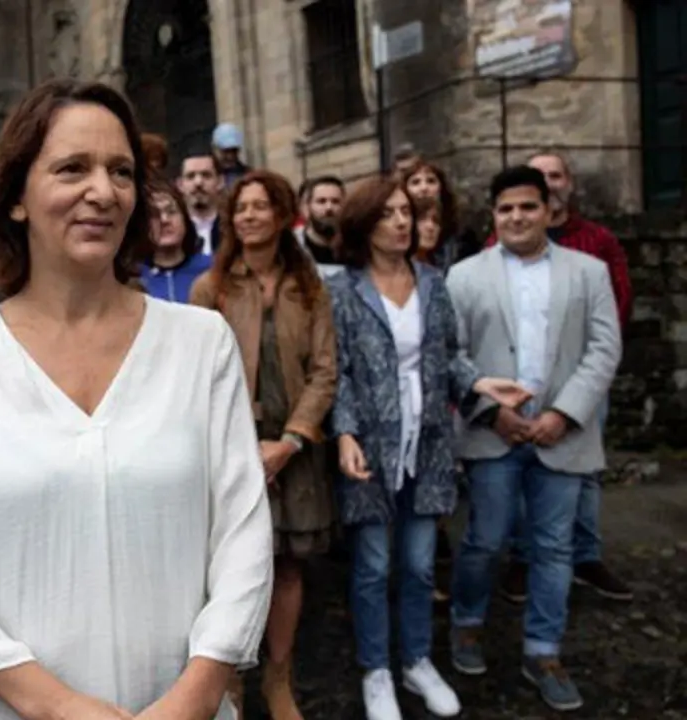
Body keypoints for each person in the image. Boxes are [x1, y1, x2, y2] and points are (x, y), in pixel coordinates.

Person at [0, 78, 272, 719]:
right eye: (73, 168)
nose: (103, 191)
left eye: (121, 170)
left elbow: (242, 536)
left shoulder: (200, 344)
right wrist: (57, 706)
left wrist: (196, 694)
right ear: (16, 196)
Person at [327, 176, 530, 720]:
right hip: (369, 446)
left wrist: (481, 386)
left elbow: (449, 355)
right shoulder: (343, 291)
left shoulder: (434, 283)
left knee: (418, 565)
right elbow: (337, 372)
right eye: (389, 213)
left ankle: (416, 660)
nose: (401, 222)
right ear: (364, 224)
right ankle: (376, 670)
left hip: (430, 445)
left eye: (406, 212)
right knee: (371, 566)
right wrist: (344, 433)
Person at [447, 166, 621, 713]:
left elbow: (603, 349)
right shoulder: (465, 277)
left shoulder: (588, 272)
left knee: (554, 547)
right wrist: (490, 412)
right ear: (492, 217)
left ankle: (543, 649)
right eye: (506, 209)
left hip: (560, 435)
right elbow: (453, 356)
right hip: (492, 433)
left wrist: (565, 415)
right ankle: (467, 621)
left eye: (527, 206)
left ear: (549, 209)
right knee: (486, 539)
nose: (517, 217)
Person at [189, 170, 337, 720]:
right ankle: (228, 681)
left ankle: (279, 678)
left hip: (295, 449)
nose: (249, 215)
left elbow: (325, 372)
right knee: (231, 568)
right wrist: (240, 445)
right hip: (232, 447)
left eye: (260, 206)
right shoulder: (212, 288)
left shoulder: (309, 286)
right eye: (241, 208)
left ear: (281, 215)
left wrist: (291, 441)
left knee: (289, 567)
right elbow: (198, 378)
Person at [141, 183, 211, 303]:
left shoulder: (211, 269)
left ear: (185, 219)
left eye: (171, 212)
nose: (164, 220)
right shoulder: (134, 277)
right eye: (154, 215)